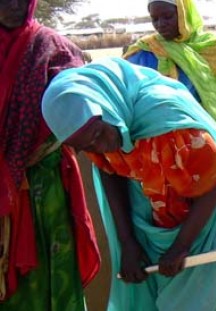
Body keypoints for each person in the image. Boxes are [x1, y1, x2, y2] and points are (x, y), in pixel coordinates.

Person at [41, 57, 216, 311]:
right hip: (153, 224)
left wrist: (182, 245)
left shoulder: (166, 116)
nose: (99, 148)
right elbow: (108, 170)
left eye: (99, 136)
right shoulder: (94, 127)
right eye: (87, 147)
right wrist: (127, 243)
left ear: (106, 106)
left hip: (207, 220)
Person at [0, 0, 100, 309]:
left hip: (44, 183)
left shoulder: (52, 47)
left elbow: (83, 103)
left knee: (50, 269)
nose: (14, 5)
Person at [124, 0, 216, 206]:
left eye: (168, 17)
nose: (160, 24)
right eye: (155, 19)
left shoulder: (212, 46)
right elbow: (125, 92)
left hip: (208, 139)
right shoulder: (143, 53)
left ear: (185, 14)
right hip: (162, 146)